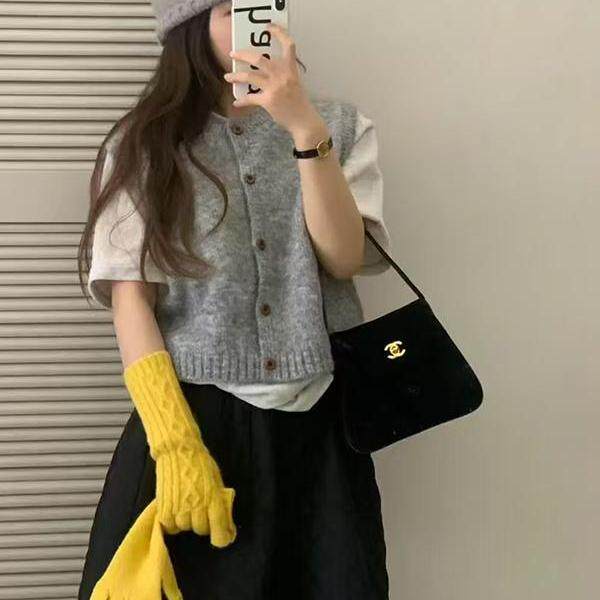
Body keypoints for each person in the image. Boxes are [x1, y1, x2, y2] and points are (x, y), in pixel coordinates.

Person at [76, 1, 392, 598]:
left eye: (270, 4)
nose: (261, 21)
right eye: (232, 9)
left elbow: (344, 258)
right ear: (187, 27)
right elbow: (131, 301)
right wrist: (174, 444)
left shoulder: (340, 126)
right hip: (194, 422)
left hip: (320, 430)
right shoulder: (145, 144)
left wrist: (305, 131)